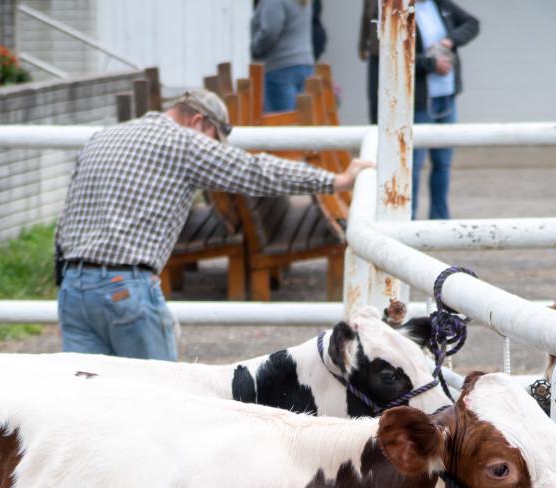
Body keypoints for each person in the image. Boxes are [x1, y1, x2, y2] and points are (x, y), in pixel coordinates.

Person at [54, 89, 371, 361]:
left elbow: (66, 216)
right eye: (214, 141)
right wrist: (335, 181)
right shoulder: (184, 143)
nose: (213, 149)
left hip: (73, 288)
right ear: (198, 122)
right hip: (125, 286)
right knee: (161, 396)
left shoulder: (102, 137)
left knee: (88, 402)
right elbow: (254, 171)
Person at [411, 0, 479, 220]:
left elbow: (472, 23)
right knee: (413, 164)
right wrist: (430, 64)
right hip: (420, 100)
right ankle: (406, 220)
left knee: (442, 163)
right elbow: (391, 55)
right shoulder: (396, 9)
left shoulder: (439, 3)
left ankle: (440, 220)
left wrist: (451, 41)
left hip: (446, 95)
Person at [251, 0, 315, 113]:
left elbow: (270, 32)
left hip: (280, 67)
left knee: (283, 124)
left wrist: (256, 48)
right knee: (304, 121)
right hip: (305, 67)